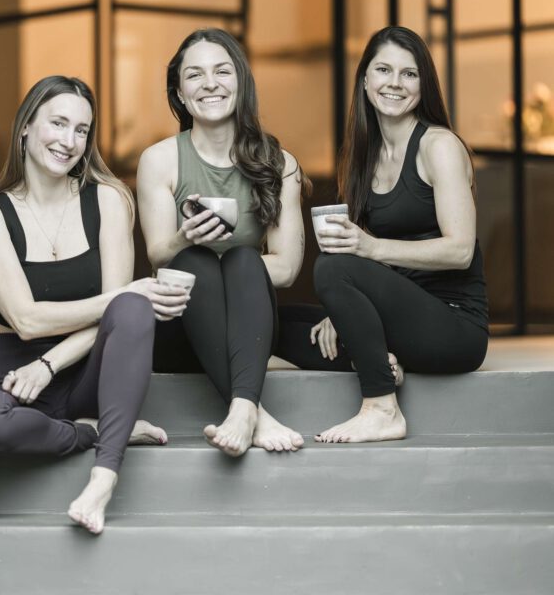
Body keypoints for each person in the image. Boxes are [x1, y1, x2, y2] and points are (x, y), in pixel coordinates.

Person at [0, 76, 188, 534]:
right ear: (25, 127)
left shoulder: (107, 200)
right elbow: (25, 319)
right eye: (58, 123)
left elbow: (117, 314)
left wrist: (52, 363)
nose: (69, 141)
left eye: (81, 130)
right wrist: (39, 366)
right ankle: (90, 432)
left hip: (88, 370)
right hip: (17, 377)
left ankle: (104, 476)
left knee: (134, 308)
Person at [278, 25, 489, 443]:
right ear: (365, 80)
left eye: (409, 74)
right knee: (270, 318)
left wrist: (369, 249)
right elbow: (374, 275)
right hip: (402, 318)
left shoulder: (439, 146)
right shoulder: (364, 156)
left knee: (334, 266)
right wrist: (345, 310)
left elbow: (461, 250)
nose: (395, 83)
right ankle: (377, 358)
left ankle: (381, 405)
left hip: (453, 326)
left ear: (423, 84)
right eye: (384, 70)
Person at [137, 28, 309, 458]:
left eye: (222, 71)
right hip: (179, 329)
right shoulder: (158, 159)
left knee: (243, 262)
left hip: (246, 328)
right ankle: (254, 411)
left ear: (241, 82)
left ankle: (244, 408)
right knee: (194, 259)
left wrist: (231, 265)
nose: (209, 83)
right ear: (179, 93)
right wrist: (183, 237)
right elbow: (159, 256)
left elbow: (286, 269)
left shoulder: (279, 162)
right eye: (194, 75)